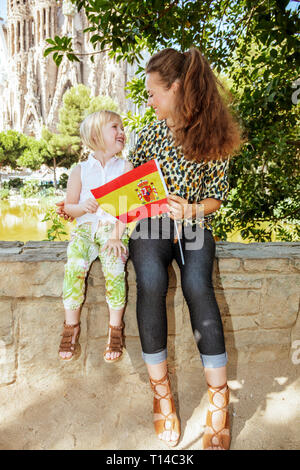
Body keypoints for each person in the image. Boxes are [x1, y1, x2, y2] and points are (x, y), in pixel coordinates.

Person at [126, 47, 242, 450]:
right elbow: (132, 191)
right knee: (151, 279)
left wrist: (192, 208)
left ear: (176, 88)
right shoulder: (146, 136)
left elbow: (216, 199)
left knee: (197, 285)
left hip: (194, 223)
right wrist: (127, 203)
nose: (149, 100)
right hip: (153, 224)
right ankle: (162, 395)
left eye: (153, 92)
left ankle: (219, 399)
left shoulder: (211, 133)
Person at [58, 110, 133, 363]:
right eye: (115, 127)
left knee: (114, 266)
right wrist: (83, 208)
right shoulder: (80, 170)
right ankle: (71, 326)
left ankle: (115, 328)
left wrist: (116, 235)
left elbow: (130, 208)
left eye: (122, 127)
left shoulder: (125, 167)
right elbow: (69, 206)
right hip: (84, 230)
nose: (121, 132)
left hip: (113, 229)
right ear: (95, 135)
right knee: (74, 267)